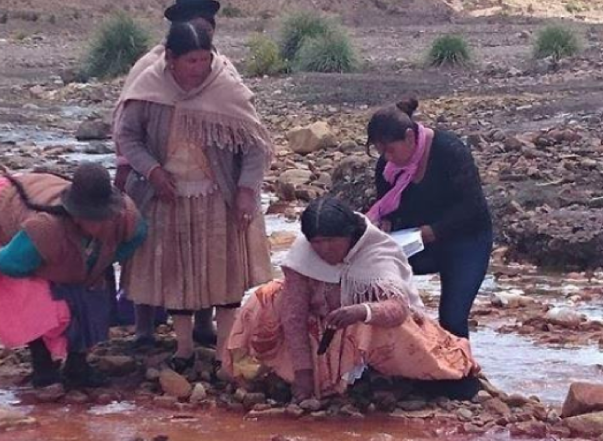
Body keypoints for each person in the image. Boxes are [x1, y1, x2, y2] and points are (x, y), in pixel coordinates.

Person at [115, 20, 272, 370]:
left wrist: (246, 190)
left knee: (225, 274)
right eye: (191, 61)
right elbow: (128, 137)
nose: (200, 68)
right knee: (177, 273)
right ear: (171, 58)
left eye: (205, 59)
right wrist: (152, 172)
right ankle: (183, 348)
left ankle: (223, 351)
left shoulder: (227, 88)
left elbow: (255, 146)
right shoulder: (149, 89)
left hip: (218, 197)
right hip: (167, 197)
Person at [224, 197, 481, 400]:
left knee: (370, 325)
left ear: (349, 235)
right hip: (318, 328)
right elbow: (294, 315)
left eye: (332, 241)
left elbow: (398, 309)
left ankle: (384, 374)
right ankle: (282, 371)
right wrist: (303, 373)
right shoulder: (302, 256)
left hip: (368, 327)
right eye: (317, 242)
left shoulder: (378, 251)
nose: (324, 250)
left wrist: (362, 311)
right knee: (266, 297)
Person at [0, 164, 147, 389]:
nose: (99, 225)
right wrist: (52, 272)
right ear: (75, 215)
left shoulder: (126, 218)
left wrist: (101, 262)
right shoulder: (45, 228)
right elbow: (5, 263)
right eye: (91, 218)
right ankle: (42, 362)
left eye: (103, 217)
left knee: (93, 295)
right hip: (6, 219)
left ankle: (77, 365)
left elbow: (136, 238)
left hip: (65, 255)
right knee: (37, 297)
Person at [115, 0, 229, 348]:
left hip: (206, 181)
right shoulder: (149, 71)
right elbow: (126, 128)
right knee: (151, 252)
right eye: (197, 26)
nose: (204, 32)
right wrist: (144, 170)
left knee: (204, 252)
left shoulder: (221, 72)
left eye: (208, 28)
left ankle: (203, 324)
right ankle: (144, 328)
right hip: (154, 179)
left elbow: (240, 123)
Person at [367, 98, 492, 339]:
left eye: (390, 150)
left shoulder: (450, 151)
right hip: (418, 243)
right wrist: (386, 223)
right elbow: (389, 207)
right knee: (373, 277)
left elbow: (472, 208)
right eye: (381, 152)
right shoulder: (387, 167)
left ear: (409, 137)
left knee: (452, 319)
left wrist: (432, 232)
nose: (387, 158)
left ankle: (459, 362)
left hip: (466, 241)